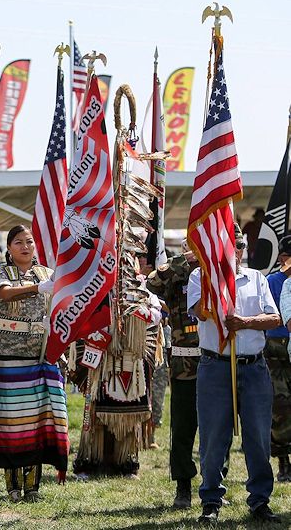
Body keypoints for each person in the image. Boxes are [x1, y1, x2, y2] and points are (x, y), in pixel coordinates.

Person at [193, 225, 282, 525]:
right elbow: (199, 311)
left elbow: (274, 317)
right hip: (215, 366)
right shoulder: (200, 277)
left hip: (254, 367)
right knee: (213, 437)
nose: (238, 250)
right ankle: (211, 500)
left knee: (258, 437)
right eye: (232, 245)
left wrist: (244, 321)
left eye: (241, 245)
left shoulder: (257, 278)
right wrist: (218, 286)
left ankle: (260, 500)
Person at [0, 225, 67, 501]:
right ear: (8, 248)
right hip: (8, 357)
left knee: (37, 419)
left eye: (29, 241)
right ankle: (13, 486)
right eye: (18, 242)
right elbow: (3, 294)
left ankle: (32, 487)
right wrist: (39, 288)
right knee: (11, 420)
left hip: (40, 355)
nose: (25, 246)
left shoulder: (48, 274)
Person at [73, 255, 162, 480]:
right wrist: (94, 331)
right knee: (96, 415)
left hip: (132, 361)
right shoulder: (95, 288)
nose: (122, 269)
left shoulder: (143, 292)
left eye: (127, 265)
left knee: (129, 417)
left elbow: (157, 315)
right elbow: (80, 314)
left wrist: (141, 313)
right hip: (102, 358)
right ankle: (91, 462)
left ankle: (125, 463)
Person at [146, 240, 202, 508]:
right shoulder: (179, 271)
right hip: (185, 365)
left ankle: (215, 483)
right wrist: (183, 260)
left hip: (219, 359)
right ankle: (183, 486)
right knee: (182, 428)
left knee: (219, 429)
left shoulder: (219, 270)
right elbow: (152, 283)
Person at [267, 238, 291, 482]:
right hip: (274, 348)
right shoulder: (272, 281)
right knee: (280, 405)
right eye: (284, 255)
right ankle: (283, 461)